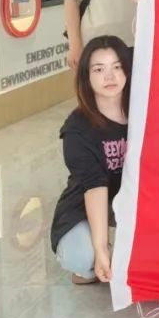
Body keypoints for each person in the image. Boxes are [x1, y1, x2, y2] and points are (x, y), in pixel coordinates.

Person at [50, 35, 131, 285]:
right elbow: (95, 187)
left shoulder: (143, 111)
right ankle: (92, 254)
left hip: (131, 201)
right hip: (87, 204)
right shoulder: (77, 129)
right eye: (99, 69)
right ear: (86, 76)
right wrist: (101, 249)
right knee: (83, 256)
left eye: (117, 67)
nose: (110, 76)